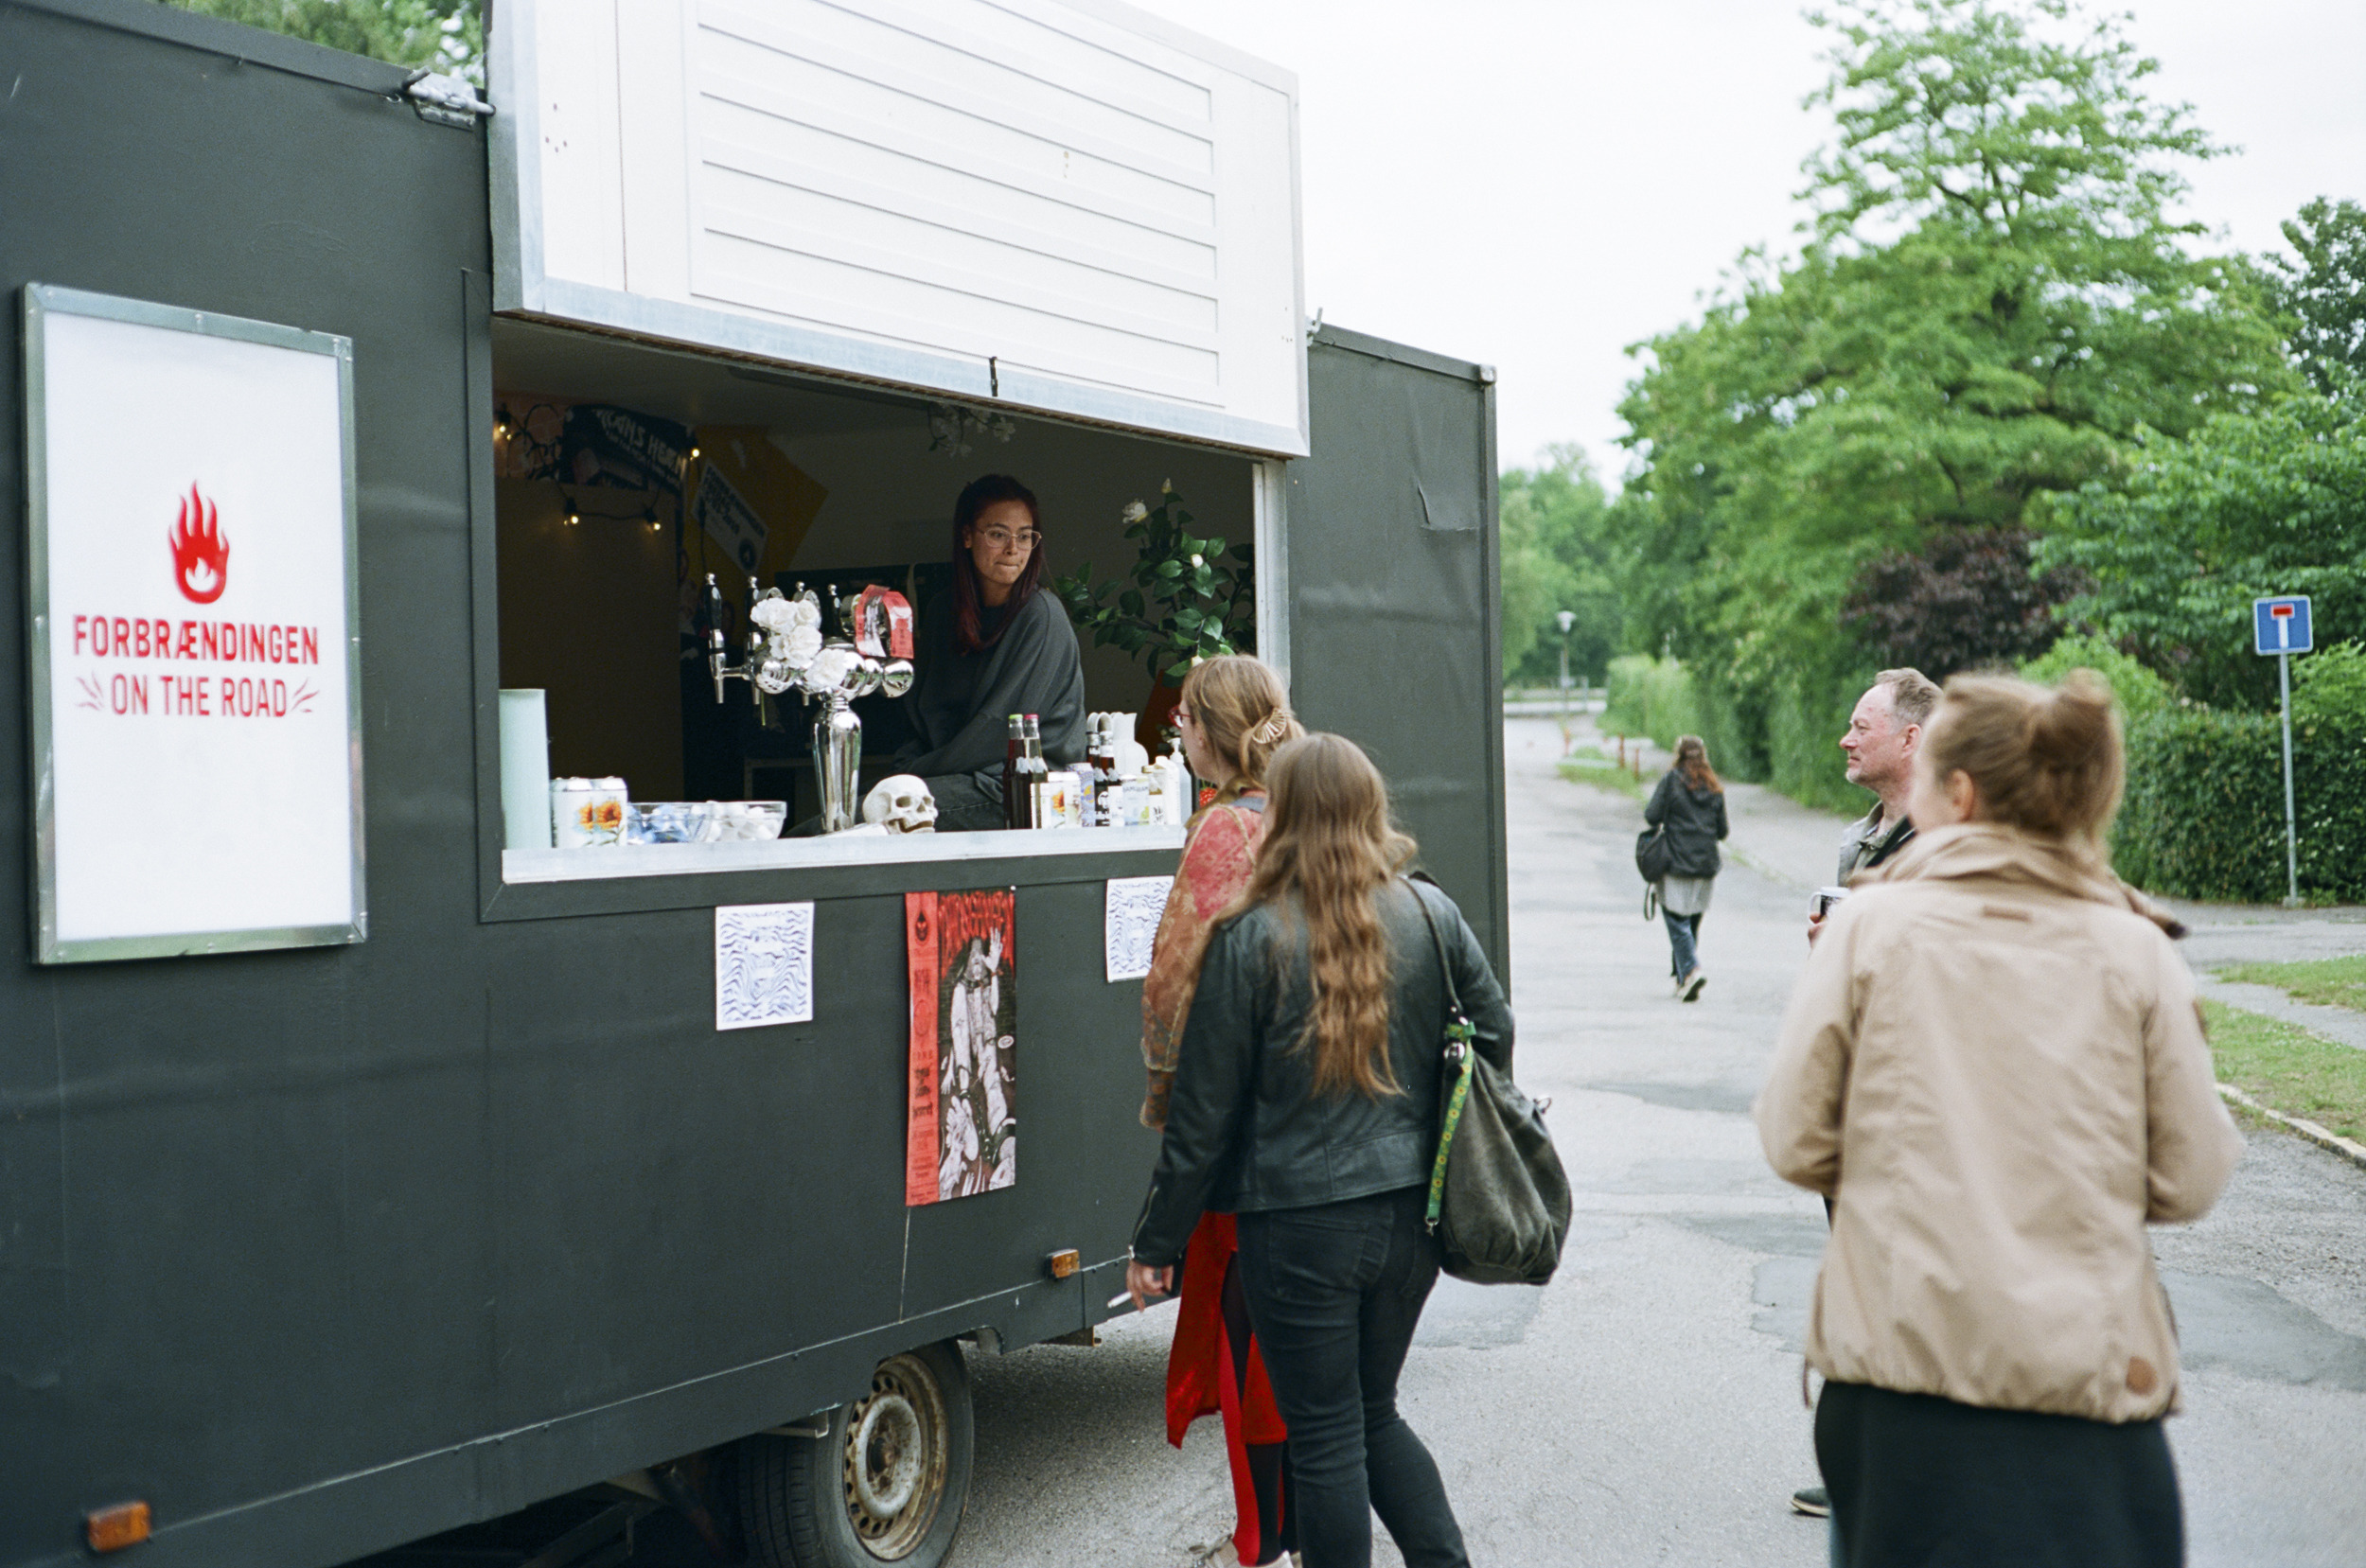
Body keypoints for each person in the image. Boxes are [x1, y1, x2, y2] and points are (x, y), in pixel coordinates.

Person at [1756, 671, 2243, 1568]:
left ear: (1962, 792)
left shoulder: (1870, 928)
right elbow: (2192, 1176)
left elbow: (1792, 1139)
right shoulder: (2134, 945)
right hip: (2086, 1387)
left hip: (1902, 1384)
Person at [1128, 733, 1509, 1568]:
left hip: (1294, 1228)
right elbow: (1495, 1035)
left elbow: (1202, 1115)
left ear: (1284, 815)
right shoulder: (1430, 912)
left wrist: (1157, 1245)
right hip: (1414, 1219)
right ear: (1372, 807)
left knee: (1327, 1433)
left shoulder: (1247, 933)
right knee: (1375, 1414)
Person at [1137, 655, 1303, 1566]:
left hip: (1242, 1133)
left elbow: (1174, 989)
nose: (1178, 736)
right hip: (1325, 1119)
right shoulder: (1309, 811)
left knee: (1250, 1353)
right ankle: (1304, 1528)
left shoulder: (1221, 828)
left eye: (1184, 722)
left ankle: (1265, 1535)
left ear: (1211, 730)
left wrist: (1168, 1102)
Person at [1792, 664, 1940, 1518]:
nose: (1846, 737)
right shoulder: (1860, 843)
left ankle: (1898, 1473)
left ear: (1911, 738)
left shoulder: (1949, 848)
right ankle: (1871, 1467)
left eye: (1861, 724)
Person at [896, 474, 1086, 830]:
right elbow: (922, 713)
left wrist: (914, 774)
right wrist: (907, 768)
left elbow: (1002, 731)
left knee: (861, 819)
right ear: (967, 536)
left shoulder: (1042, 615)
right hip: (955, 779)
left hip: (1020, 787)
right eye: (998, 534)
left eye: (1025, 536)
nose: (1014, 549)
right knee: (843, 819)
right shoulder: (942, 612)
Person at [1644, 734, 1727, 1000]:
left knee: (1674, 917)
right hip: (1705, 866)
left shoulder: (1671, 781)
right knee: (1690, 922)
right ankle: (1684, 979)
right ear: (1703, 756)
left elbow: (1651, 816)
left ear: (1678, 755)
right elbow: (1723, 831)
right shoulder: (1714, 788)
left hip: (1676, 863)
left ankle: (1691, 969)